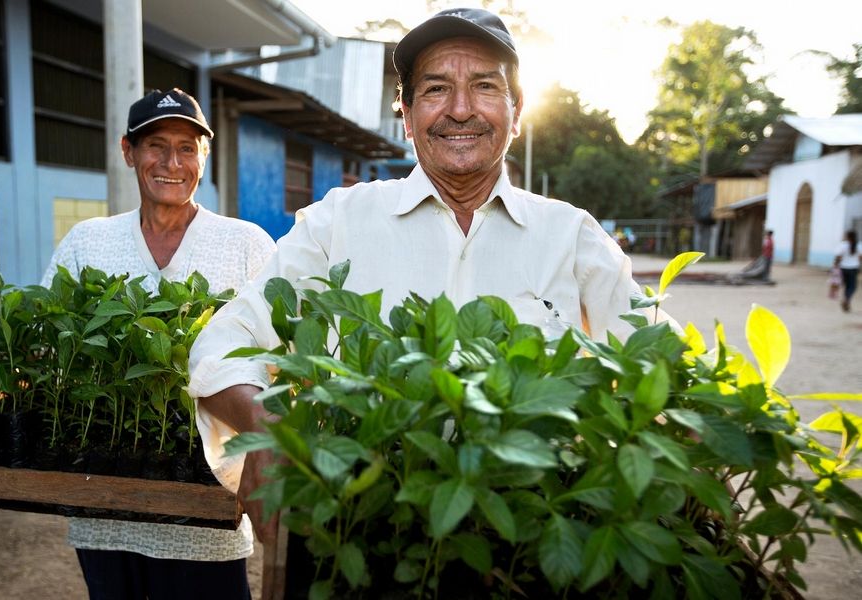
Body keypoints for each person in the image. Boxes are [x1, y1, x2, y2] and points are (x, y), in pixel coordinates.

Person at [187, 7, 654, 591]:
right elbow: (222, 345)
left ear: (517, 113)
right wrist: (267, 420)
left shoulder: (571, 234)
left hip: (520, 552)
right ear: (405, 116)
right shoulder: (339, 222)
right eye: (436, 89)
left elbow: (654, 363)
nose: (461, 109)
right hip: (358, 534)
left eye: (485, 86)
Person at [41, 88, 276, 599]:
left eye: (188, 148)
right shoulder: (87, 242)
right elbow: (48, 346)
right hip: (105, 505)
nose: (173, 162)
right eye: (156, 146)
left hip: (209, 506)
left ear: (203, 158)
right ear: (129, 152)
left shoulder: (246, 244)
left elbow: (279, 360)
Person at [834, 230, 860, 312]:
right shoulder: (859, 245)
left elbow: (838, 256)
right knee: (852, 286)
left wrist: (835, 266)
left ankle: (846, 299)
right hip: (854, 268)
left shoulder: (843, 245)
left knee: (846, 285)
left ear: (847, 236)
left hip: (843, 268)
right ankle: (847, 299)